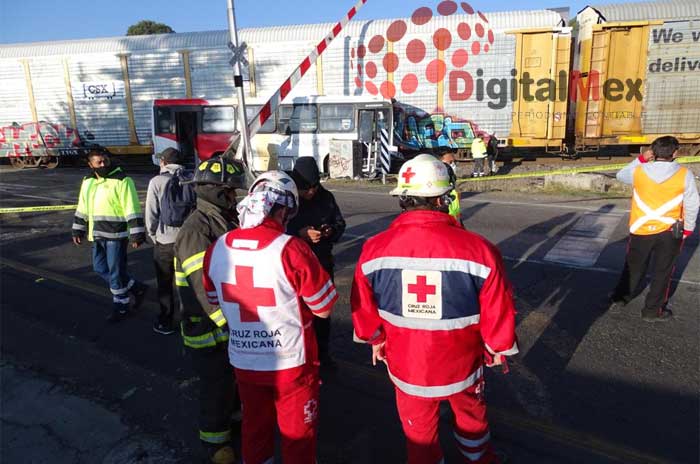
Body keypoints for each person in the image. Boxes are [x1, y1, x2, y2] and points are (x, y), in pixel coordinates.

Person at [351, 154, 518, 464]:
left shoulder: (374, 248)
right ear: (444, 198)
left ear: (403, 198)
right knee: (472, 427)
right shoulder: (480, 249)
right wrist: (498, 348)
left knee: (420, 439)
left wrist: (376, 339)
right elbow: (498, 309)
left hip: (408, 367)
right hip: (463, 365)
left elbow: (363, 311)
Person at [203, 171, 338, 464]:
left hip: (244, 360)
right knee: (298, 438)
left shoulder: (216, 249)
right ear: (283, 209)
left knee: (255, 429)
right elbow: (324, 308)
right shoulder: (291, 249)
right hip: (291, 365)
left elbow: (214, 301)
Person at [173, 157, 245, 464]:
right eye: (231, 192)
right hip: (207, 328)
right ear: (217, 191)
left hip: (226, 324)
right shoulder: (196, 230)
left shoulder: (224, 220)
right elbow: (203, 289)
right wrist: (230, 326)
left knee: (231, 382)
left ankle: (234, 423)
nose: (235, 197)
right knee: (215, 387)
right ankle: (216, 444)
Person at [609, 136, 698, 322]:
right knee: (663, 272)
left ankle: (621, 298)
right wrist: (688, 228)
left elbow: (620, 175)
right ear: (675, 153)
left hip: (641, 229)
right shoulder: (684, 174)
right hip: (670, 231)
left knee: (633, 267)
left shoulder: (639, 171)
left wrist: (641, 159)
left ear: (653, 152)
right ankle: (651, 311)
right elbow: (692, 203)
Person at [72, 150, 148, 322]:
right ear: (90, 165)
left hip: (116, 234)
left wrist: (137, 234)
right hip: (97, 234)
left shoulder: (122, 180)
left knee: (115, 273)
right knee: (100, 268)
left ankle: (122, 306)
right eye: (99, 162)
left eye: (105, 161)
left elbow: (132, 207)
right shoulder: (88, 181)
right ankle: (136, 287)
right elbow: (82, 206)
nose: (103, 165)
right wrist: (78, 230)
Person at [286, 156, 346, 369]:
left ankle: (323, 354)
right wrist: (298, 233)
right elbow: (276, 229)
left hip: (321, 262)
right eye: (306, 188)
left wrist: (331, 231)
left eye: (314, 187)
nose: (310, 192)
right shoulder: (287, 197)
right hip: (294, 267)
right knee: (297, 313)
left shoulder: (326, 197)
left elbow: (340, 223)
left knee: (323, 313)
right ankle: (300, 356)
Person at [145, 147, 188, 335]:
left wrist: (153, 235)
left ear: (163, 162)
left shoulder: (156, 181)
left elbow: (151, 213)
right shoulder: (190, 178)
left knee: (165, 282)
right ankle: (189, 321)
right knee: (188, 283)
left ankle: (165, 321)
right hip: (187, 240)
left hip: (165, 241)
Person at [440, 152, 462, 223]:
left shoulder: (455, 191)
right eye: (450, 162)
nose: (453, 164)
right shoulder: (437, 192)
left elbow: (457, 211)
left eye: (454, 162)